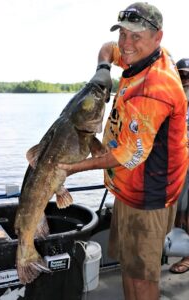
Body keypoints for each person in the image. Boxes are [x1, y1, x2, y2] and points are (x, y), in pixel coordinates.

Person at [58, 2, 188, 300]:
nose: (126, 45)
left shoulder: (155, 89)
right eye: (124, 34)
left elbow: (127, 154)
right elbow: (107, 47)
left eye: (136, 36)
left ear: (158, 38)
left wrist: (69, 167)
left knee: (142, 278)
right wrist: (102, 70)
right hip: (128, 188)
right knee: (129, 266)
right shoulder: (140, 56)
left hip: (148, 196)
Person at [169, 58, 189, 274]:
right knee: (176, 213)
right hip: (175, 165)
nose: (184, 80)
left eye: (187, 76)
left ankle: (188, 256)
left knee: (187, 212)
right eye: (180, 75)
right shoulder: (173, 99)